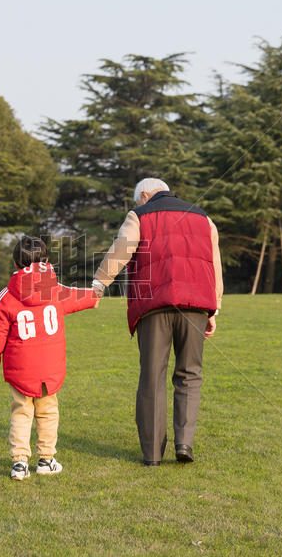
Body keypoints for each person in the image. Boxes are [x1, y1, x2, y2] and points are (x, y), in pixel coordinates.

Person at [91, 178, 223, 466]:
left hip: (154, 306)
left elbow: (120, 250)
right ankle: (184, 443)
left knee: (152, 377)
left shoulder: (139, 215)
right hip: (196, 306)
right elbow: (214, 264)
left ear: (146, 195)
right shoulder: (204, 218)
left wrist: (99, 284)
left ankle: (151, 454)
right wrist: (214, 309)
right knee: (190, 375)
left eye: (138, 200)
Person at [0, 236, 98, 480]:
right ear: (46, 261)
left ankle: (20, 463)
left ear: (15, 264)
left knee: (21, 413)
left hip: (21, 370)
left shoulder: (7, 296)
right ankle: (46, 459)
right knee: (48, 413)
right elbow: (77, 296)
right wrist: (94, 296)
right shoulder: (54, 290)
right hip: (50, 368)